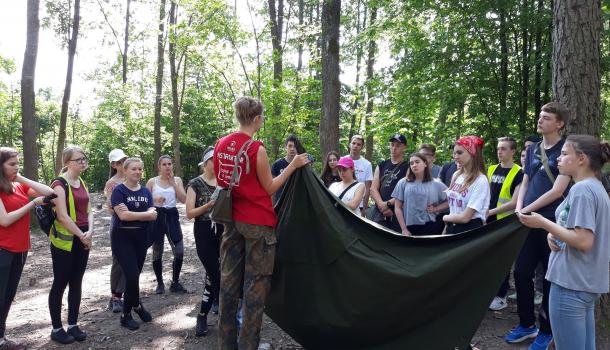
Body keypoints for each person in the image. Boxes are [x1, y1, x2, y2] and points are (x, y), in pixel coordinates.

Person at [214, 96, 310, 350]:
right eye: (262, 118)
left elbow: (223, 182)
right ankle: (248, 346)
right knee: (255, 291)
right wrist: (292, 166)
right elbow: (269, 187)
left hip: (230, 221)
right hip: (257, 224)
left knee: (228, 286)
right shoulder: (256, 148)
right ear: (256, 119)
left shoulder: (221, 144)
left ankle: (227, 345)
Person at [518, 135, 610, 350]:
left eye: (564, 153)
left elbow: (584, 240)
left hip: (570, 283)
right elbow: (580, 231)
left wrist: (542, 223)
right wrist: (555, 234)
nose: (558, 158)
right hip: (585, 283)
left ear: (581, 159)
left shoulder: (582, 191)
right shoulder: (594, 187)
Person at [506, 102, 571, 350]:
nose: (540, 120)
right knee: (521, 272)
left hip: (552, 222)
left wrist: (529, 209)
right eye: (540, 116)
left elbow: (558, 190)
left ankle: (547, 330)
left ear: (559, 123)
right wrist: (520, 206)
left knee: (548, 278)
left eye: (546, 118)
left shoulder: (565, 151)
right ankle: (526, 324)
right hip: (527, 220)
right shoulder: (533, 148)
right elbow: (526, 180)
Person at [0, 147, 53, 350]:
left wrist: (21, 178)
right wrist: (32, 205)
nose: (16, 167)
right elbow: (4, 221)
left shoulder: (18, 187)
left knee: (8, 295)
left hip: (20, 250)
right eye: (12, 164)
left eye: (18, 163)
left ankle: (1, 338)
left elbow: (50, 193)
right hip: (3, 249)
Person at [48, 146, 93, 344]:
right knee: (60, 282)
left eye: (84, 159)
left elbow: (89, 209)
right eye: (78, 160)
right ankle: (57, 328)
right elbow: (63, 216)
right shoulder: (59, 184)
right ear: (67, 162)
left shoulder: (81, 181)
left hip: (83, 236)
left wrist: (90, 231)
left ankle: (73, 324)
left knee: (77, 281)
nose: (82, 162)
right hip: (64, 242)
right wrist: (82, 235)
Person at [111, 157, 157, 330]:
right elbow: (124, 216)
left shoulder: (145, 191)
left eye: (139, 169)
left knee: (135, 276)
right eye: (133, 169)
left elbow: (153, 210)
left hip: (141, 239)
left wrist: (144, 213)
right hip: (122, 240)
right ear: (125, 170)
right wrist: (146, 215)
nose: (137, 172)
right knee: (131, 276)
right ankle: (127, 314)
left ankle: (136, 304)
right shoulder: (119, 191)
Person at [186, 147, 224, 336]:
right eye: (214, 160)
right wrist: (208, 205)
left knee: (215, 276)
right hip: (203, 231)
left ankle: (202, 315)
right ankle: (208, 314)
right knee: (215, 274)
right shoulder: (195, 183)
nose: (218, 164)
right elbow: (189, 213)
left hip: (224, 231)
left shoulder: (223, 182)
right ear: (206, 163)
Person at [486, 137, 523, 311]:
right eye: (499, 148)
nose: (499, 151)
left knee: (502, 260)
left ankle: (501, 296)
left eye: (504, 149)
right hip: (487, 221)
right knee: (488, 259)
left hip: (505, 222)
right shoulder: (492, 169)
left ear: (513, 151)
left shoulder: (519, 172)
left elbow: (516, 201)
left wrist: (491, 212)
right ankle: (488, 292)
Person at [146, 156, 187, 294]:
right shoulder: (152, 181)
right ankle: (160, 283)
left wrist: (174, 185)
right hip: (156, 216)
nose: (167, 166)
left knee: (179, 249)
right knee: (157, 250)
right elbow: (144, 201)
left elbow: (184, 200)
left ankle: (175, 282)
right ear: (159, 167)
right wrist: (154, 199)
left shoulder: (177, 180)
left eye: (169, 164)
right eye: (164, 164)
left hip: (172, 216)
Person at [392, 153, 448, 236]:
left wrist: (436, 209)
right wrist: (404, 229)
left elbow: (452, 200)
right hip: (409, 228)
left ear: (425, 163)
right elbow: (397, 207)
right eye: (411, 163)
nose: (414, 165)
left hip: (430, 226)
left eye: (417, 162)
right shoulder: (403, 182)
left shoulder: (436, 183)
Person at [443, 136, 490, 234]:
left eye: (460, 153)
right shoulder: (456, 175)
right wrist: (445, 230)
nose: (455, 157)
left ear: (472, 153)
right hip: (452, 227)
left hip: (469, 230)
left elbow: (465, 218)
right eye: (454, 153)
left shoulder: (480, 180)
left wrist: (445, 217)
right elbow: (453, 209)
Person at [103, 149, 128, 313]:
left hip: (136, 224)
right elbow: (111, 208)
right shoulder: (111, 183)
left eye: (124, 160)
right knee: (118, 260)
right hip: (119, 224)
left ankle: (128, 293)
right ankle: (116, 296)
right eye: (119, 162)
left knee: (132, 259)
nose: (123, 164)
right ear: (114, 165)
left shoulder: (133, 177)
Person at [369, 134, 409, 231]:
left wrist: (388, 204)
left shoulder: (408, 166)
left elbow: (406, 191)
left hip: (398, 213)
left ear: (404, 147)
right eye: (392, 145)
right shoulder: (382, 165)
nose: (394, 148)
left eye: (398, 146)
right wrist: (382, 205)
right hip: (380, 212)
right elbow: (373, 189)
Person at [345, 135, 373, 216]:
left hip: (359, 205)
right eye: (353, 143)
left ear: (362, 147)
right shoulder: (342, 160)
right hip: (344, 202)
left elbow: (368, 188)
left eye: (358, 144)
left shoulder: (367, 164)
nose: (355, 146)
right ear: (350, 144)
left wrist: (364, 209)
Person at [271, 134, 298, 202]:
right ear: (285, 147)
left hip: (297, 203)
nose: (292, 148)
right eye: (290, 146)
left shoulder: (301, 164)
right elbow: (272, 187)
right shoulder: (277, 164)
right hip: (280, 204)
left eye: (295, 146)